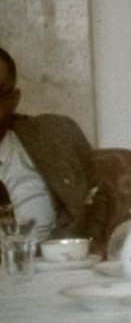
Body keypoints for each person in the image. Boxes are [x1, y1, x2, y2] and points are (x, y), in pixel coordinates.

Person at [0, 47, 110, 253]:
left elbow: (97, 194)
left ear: (13, 100)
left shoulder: (56, 135)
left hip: (55, 265)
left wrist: (91, 243)